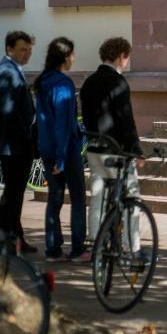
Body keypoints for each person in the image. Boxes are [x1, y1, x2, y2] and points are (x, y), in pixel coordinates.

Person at [80, 37, 144, 247]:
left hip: (94, 146)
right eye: (127, 57)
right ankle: (131, 245)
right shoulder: (118, 82)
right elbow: (126, 120)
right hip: (116, 150)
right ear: (120, 56)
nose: (127, 62)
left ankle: (96, 243)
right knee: (131, 196)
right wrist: (135, 150)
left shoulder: (89, 82)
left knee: (98, 196)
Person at [35, 37, 87, 261]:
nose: (74, 58)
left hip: (46, 148)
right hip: (65, 151)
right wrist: (62, 158)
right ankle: (77, 248)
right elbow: (63, 123)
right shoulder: (63, 84)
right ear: (65, 57)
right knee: (77, 198)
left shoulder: (43, 81)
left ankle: (53, 248)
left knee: (54, 199)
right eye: (72, 54)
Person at [0, 30, 37, 254]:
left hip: (15, 143)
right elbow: (9, 111)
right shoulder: (7, 71)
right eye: (22, 49)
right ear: (10, 49)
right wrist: (27, 134)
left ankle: (13, 236)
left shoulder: (12, 69)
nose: (27, 53)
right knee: (13, 193)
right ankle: (5, 236)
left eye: (29, 49)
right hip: (14, 144)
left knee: (14, 193)